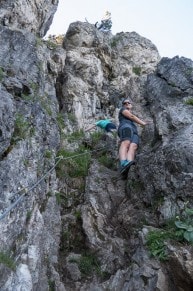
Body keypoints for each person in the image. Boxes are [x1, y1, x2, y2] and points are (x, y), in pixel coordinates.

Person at [118, 98, 151, 174]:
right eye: (125, 103)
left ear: (131, 105)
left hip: (134, 131)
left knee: (133, 146)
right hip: (125, 127)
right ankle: (123, 163)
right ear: (123, 105)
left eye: (128, 103)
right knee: (126, 142)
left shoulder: (129, 115)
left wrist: (144, 122)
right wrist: (143, 123)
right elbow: (132, 116)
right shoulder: (122, 110)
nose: (127, 104)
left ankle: (129, 163)